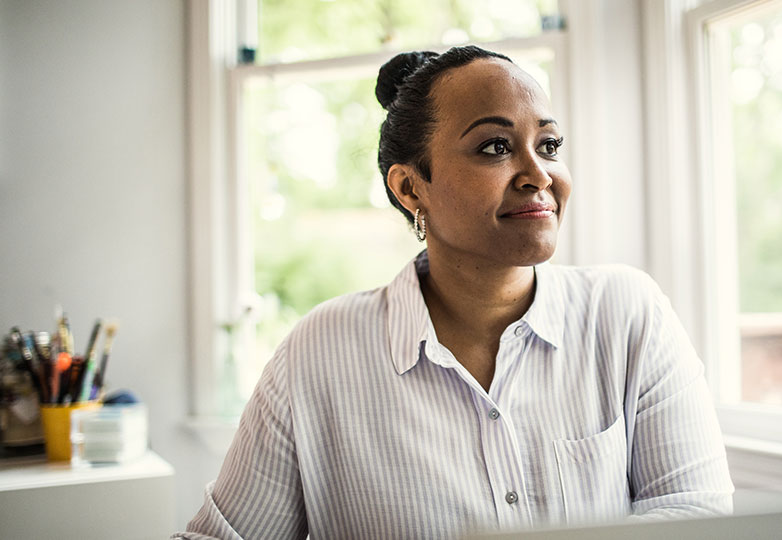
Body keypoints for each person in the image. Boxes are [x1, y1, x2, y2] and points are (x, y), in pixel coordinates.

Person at [177, 45, 733, 540]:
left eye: (550, 144)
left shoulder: (627, 313)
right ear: (409, 186)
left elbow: (695, 513)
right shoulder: (317, 354)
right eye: (494, 147)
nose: (538, 173)